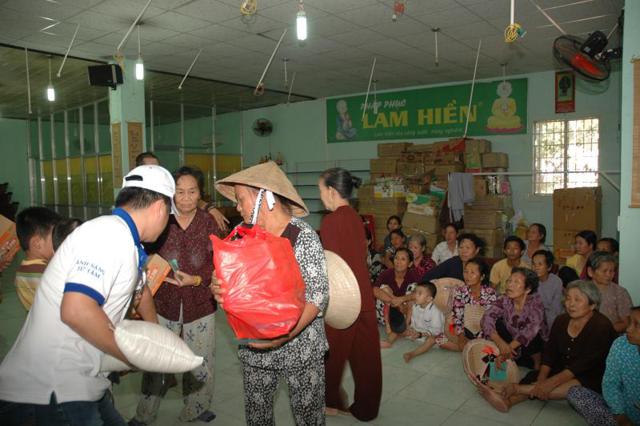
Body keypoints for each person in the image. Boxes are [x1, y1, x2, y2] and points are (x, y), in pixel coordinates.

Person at [0, 164, 171, 424]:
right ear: (159, 208)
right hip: (52, 389)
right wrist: (132, 355)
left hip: (79, 382)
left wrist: (153, 335)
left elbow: (138, 289)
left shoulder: (123, 239)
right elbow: (77, 310)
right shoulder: (108, 236)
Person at [211, 161, 328, 426]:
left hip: (301, 348)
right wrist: (216, 285)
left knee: (309, 418)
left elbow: (318, 296)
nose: (237, 207)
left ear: (265, 196)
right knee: (258, 416)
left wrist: (283, 337)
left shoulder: (302, 237)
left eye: (241, 199)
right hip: (256, 350)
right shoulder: (242, 235)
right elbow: (224, 277)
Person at [132, 167, 220, 425]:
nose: (186, 198)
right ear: (171, 193)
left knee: (200, 358)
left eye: (192, 192)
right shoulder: (161, 219)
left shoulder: (208, 222)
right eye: (180, 192)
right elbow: (143, 253)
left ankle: (197, 408)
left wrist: (197, 279)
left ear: (200, 194)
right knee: (158, 359)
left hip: (200, 302)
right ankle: (144, 414)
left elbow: (218, 261)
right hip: (163, 302)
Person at [475, 280, 617, 413]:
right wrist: (542, 379)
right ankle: (509, 401)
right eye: (568, 299)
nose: (570, 304)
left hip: (591, 372)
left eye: (577, 300)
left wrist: (551, 383)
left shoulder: (601, 326)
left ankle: (517, 390)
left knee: (573, 386)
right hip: (563, 366)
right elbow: (550, 352)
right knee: (536, 377)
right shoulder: (561, 320)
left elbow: (584, 364)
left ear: (592, 305)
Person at [317, 168, 381, 421]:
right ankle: (367, 410)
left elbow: (331, 265)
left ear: (332, 191)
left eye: (321, 190)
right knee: (367, 357)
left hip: (342, 299)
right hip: (363, 294)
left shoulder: (330, 221)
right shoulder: (356, 217)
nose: (321, 196)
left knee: (331, 354)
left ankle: (329, 402)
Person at [567, 306, 640, 425]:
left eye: (637, 325)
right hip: (623, 410)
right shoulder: (621, 344)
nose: (628, 329)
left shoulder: (601, 324)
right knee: (575, 393)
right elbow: (610, 383)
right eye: (630, 322)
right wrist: (619, 414)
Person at [133, 151, 230, 233]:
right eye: (150, 168)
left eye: (158, 168)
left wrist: (210, 208)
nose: (156, 172)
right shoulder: (133, 196)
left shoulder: (164, 187)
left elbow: (188, 198)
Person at [482, 268, 548, 369]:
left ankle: (537, 365)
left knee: (534, 334)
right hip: (511, 342)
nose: (510, 285)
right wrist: (500, 343)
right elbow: (487, 317)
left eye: (516, 282)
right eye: (509, 281)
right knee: (495, 323)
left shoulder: (536, 304)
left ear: (528, 289)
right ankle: (501, 359)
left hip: (530, 347)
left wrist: (507, 348)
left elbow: (529, 332)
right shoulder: (505, 299)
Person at [441, 257, 497, 352]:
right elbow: (458, 316)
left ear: (482, 276)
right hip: (465, 330)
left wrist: (478, 338)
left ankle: (471, 347)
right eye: (466, 272)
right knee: (440, 340)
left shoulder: (490, 293)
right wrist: (461, 337)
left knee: (488, 345)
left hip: (483, 331)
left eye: (472, 273)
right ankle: (470, 348)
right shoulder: (460, 291)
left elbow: (490, 320)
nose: (467, 276)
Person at [14, 207, 61, 311]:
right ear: (37, 243)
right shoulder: (48, 273)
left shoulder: (20, 274)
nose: (59, 242)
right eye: (55, 237)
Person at [374, 248, 421, 346]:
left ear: (410, 264)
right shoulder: (386, 273)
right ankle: (396, 330)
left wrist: (402, 299)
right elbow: (374, 290)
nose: (398, 262)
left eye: (403, 259)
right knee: (384, 288)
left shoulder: (413, 275)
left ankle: (404, 327)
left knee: (414, 288)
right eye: (396, 258)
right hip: (385, 314)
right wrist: (397, 303)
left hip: (406, 313)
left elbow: (419, 293)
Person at [586, 251, 632, 333]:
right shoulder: (581, 290)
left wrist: (602, 331)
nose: (608, 275)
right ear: (590, 272)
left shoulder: (620, 292)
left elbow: (626, 323)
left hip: (610, 335)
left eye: (612, 271)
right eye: (604, 271)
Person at [402, 282, 445, 363]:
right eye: (415, 292)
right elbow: (414, 321)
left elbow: (436, 331)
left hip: (431, 334)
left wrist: (421, 334)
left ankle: (412, 354)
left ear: (428, 299)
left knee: (431, 340)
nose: (415, 295)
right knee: (401, 329)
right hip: (418, 332)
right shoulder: (415, 306)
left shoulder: (435, 311)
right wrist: (411, 329)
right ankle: (389, 341)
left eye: (419, 293)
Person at [531, 249, 564, 327]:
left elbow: (556, 309)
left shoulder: (556, 282)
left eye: (540, 264)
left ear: (549, 267)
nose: (536, 267)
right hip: (533, 320)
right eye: (533, 264)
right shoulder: (529, 281)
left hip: (552, 321)